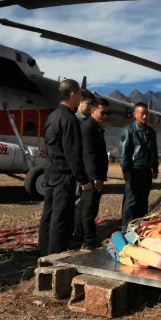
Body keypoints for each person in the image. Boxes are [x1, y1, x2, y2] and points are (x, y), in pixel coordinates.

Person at [38, 80, 92, 256]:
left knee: (49, 213)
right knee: (61, 217)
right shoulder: (69, 119)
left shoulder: (52, 116)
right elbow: (73, 155)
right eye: (79, 95)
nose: (80, 99)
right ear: (72, 95)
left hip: (50, 171)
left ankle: (44, 250)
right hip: (63, 175)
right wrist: (83, 179)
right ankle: (55, 255)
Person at [76, 97, 110, 250]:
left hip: (92, 175)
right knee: (89, 209)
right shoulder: (89, 127)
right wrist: (95, 177)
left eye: (106, 114)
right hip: (92, 176)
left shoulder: (94, 126)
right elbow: (89, 155)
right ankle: (89, 240)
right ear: (93, 111)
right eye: (102, 113)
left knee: (82, 207)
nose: (105, 116)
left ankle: (78, 235)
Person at [119, 102, 159, 228]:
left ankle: (140, 226)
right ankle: (127, 227)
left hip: (146, 171)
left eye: (146, 114)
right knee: (131, 201)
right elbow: (123, 152)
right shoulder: (129, 130)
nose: (145, 116)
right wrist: (125, 170)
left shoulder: (151, 132)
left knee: (143, 200)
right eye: (142, 114)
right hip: (133, 171)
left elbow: (154, 151)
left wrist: (155, 168)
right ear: (135, 114)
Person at [73, 90, 95, 242]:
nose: (90, 107)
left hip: (86, 170)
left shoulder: (89, 122)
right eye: (87, 103)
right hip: (78, 168)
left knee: (85, 204)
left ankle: (80, 231)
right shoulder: (75, 121)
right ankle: (77, 232)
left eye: (91, 104)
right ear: (79, 103)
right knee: (77, 202)